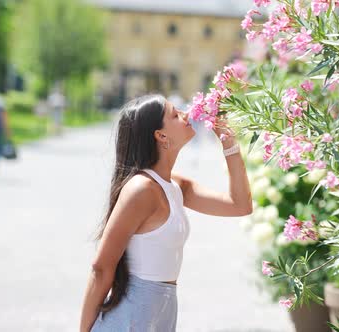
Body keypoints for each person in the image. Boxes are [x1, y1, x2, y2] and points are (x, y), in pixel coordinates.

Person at [79, 95, 252, 332]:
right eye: (174, 113)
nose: (186, 114)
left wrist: (228, 141)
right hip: (132, 319)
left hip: (160, 315)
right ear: (161, 136)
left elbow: (239, 205)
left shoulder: (174, 186)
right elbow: (101, 267)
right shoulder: (141, 189)